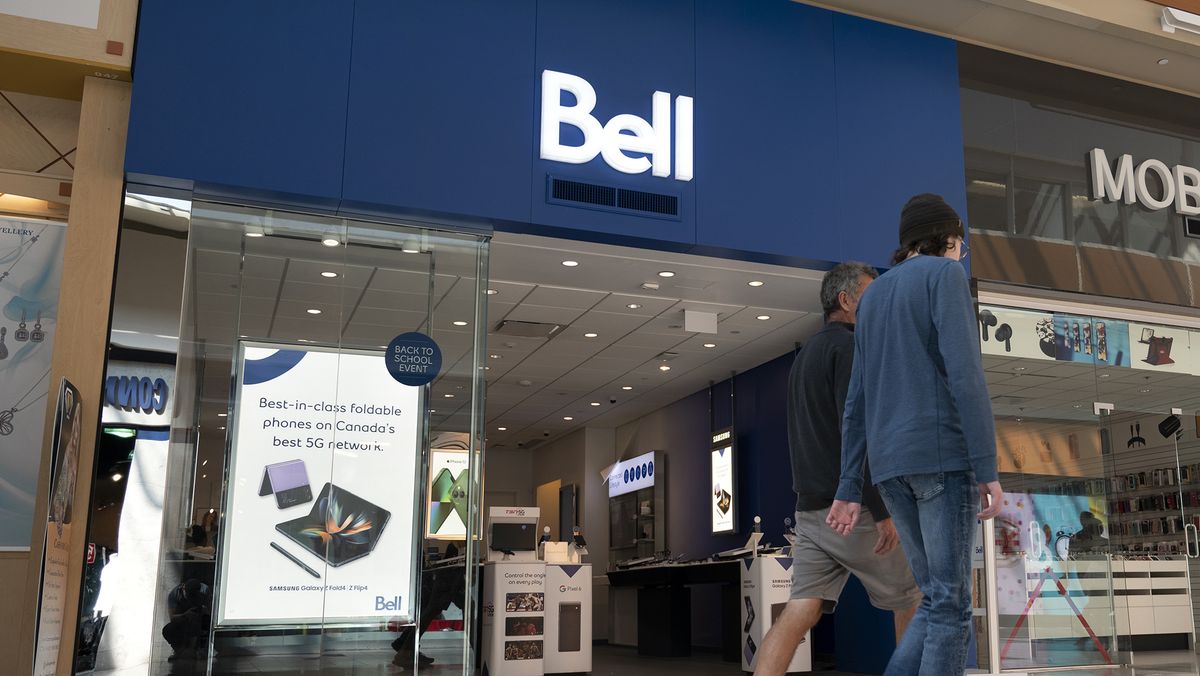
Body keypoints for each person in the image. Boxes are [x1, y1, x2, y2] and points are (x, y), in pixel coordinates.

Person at [828, 194, 1003, 675]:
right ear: (947, 238)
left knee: (935, 598)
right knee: (951, 605)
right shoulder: (945, 276)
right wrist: (987, 466)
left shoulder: (875, 294)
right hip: (940, 457)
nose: (959, 254)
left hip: (889, 469)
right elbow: (966, 376)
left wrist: (848, 486)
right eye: (960, 245)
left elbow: (856, 402)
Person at [755, 262, 922, 676]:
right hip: (853, 510)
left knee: (800, 610)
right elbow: (858, 436)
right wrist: (882, 510)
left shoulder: (805, 356)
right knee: (914, 598)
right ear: (846, 301)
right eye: (871, 294)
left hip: (811, 512)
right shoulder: (850, 350)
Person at [162, 578, 212, 661]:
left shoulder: (205, 590)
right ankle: (178, 650)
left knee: (207, 623)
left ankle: (200, 649)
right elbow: (172, 618)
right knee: (168, 630)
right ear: (183, 589)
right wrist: (185, 615)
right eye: (189, 595)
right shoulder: (174, 594)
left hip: (200, 618)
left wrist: (204, 610)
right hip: (183, 620)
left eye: (194, 596)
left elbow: (211, 611)